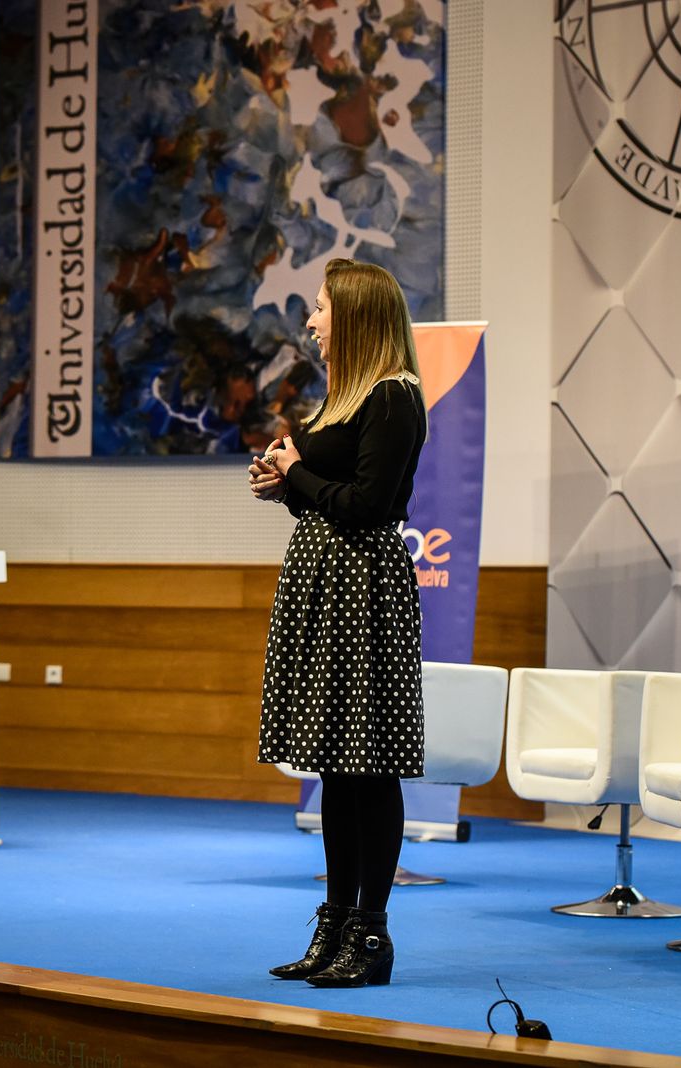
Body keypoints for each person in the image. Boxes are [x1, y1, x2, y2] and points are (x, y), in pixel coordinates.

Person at [247, 257, 427, 988]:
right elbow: (331, 496)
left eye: (321, 308)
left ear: (354, 316)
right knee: (334, 766)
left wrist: (297, 476)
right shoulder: (345, 398)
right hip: (328, 584)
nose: (313, 321)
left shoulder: (393, 397)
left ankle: (372, 936)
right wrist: (285, 485)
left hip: (363, 591)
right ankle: (334, 922)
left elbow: (368, 506)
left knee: (368, 763)